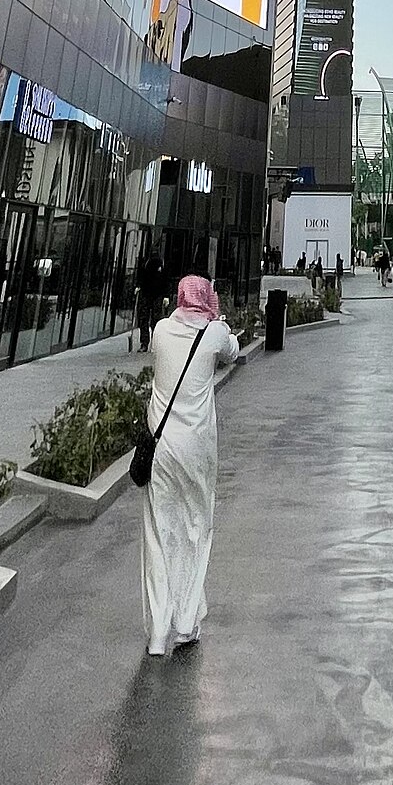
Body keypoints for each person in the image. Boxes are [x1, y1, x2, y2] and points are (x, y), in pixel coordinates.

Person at [142, 275, 241, 656]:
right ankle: (186, 622)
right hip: (198, 450)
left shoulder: (162, 330)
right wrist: (217, 317)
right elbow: (232, 348)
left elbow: (162, 344)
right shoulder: (214, 334)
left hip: (161, 447)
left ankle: (157, 633)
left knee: (158, 533)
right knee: (196, 530)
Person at [134, 251, 165, 355]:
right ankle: (149, 343)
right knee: (150, 319)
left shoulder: (157, 263)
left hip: (152, 293)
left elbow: (165, 279)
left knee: (148, 319)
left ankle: (146, 343)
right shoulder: (147, 263)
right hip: (149, 293)